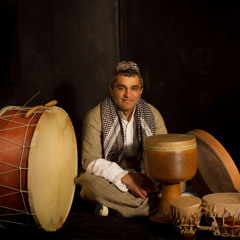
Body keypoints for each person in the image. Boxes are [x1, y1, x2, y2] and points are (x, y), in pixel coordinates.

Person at [76, 61, 168, 217]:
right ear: (111, 90)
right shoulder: (95, 116)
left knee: (180, 178)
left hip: (146, 173)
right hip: (112, 176)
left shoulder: (153, 115)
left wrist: (145, 177)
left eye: (134, 88)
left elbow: (164, 155)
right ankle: (161, 206)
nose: (128, 94)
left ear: (141, 91)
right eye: (121, 88)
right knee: (90, 185)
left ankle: (113, 207)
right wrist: (124, 177)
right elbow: (90, 160)